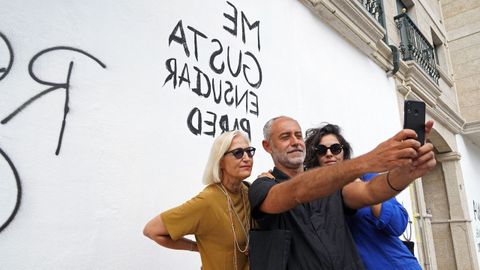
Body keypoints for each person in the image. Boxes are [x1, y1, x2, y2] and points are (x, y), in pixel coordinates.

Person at [248, 116, 436, 269]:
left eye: (298, 135)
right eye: (285, 137)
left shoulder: (336, 184)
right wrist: (368, 160)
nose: (295, 141)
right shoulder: (263, 186)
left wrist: (406, 172)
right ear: (267, 146)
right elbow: (296, 191)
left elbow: (370, 191)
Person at [304, 123, 422, 270]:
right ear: (315, 156)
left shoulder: (367, 178)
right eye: (321, 150)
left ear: (343, 152)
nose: (329, 154)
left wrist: (368, 192)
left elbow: (398, 225)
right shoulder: (314, 194)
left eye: (335, 149)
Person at [144, 130, 255, 270]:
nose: (247, 158)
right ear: (220, 161)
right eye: (238, 153)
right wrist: (196, 247)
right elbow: (152, 230)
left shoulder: (248, 191)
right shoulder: (207, 201)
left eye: (249, 151)